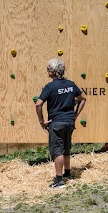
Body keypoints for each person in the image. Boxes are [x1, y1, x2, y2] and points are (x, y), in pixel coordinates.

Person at [35, 58, 86, 188]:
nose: (47, 71)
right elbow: (83, 99)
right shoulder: (71, 84)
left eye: (48, 69)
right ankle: (68, 174)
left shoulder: (50, 87)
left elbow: (38, 104)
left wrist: (42, 122)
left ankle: (59, 180)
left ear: (53, 71)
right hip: (69, 122)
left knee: (57, 151)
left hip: (56, 123)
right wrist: (74, 116)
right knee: (66, 148)